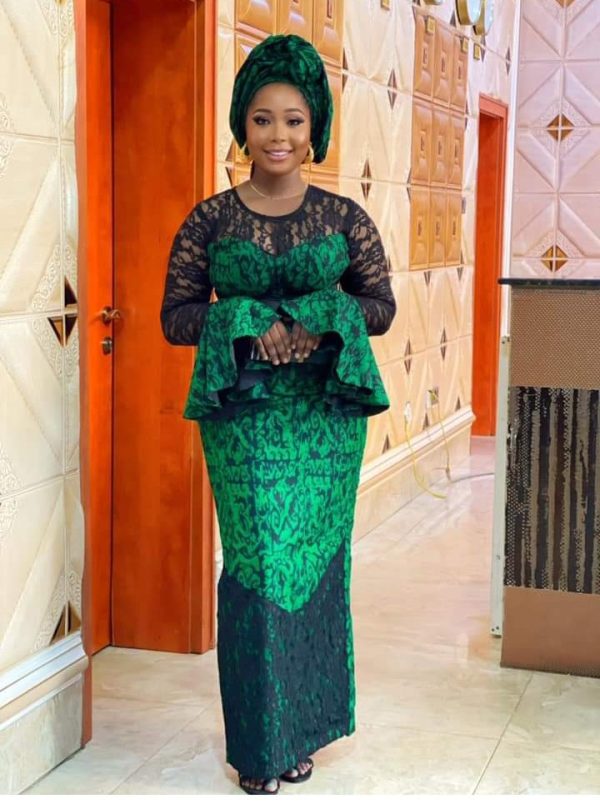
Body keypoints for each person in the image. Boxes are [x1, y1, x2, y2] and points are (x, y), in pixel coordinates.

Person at [160, 34, 396, 796]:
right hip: (245, 418)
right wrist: (244, 321)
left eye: (294, 120)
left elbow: (380, 306)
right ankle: (260, 745)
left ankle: (302, 732)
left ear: (315, 126)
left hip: (326, 417)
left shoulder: (345, 217)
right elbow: (176, 316)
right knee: (258, 563)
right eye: (263, 119)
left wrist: (321, 319)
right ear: (242, 124)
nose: (279, 136)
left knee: (315, 563)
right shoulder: (209, 221)